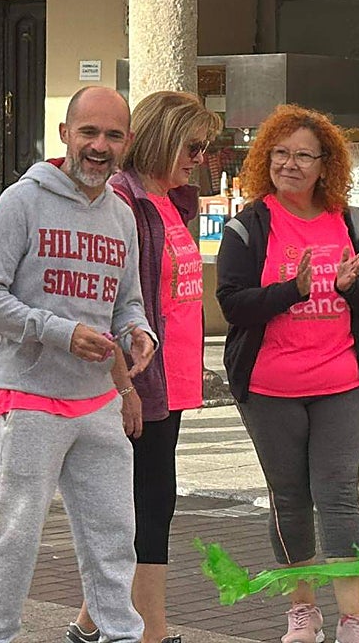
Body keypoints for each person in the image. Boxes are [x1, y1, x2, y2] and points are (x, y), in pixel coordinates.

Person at [0, 85, 156, 643]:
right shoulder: (22, 202)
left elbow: (127, 300)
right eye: (89, 133)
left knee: (114, 535)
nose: (100, 146)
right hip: (27, 399)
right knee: (15, 535)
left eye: (113, 135)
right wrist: (60, 332)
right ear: (65, 136)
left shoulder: (121, 214)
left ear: (126, 142)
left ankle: (120, 634)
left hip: (98, 399)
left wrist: (137, 333)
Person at [216, 104, 359, 643]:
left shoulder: (353, 222)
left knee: (339, 495)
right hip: (270, 388)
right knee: (289, 498)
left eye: (302, 156)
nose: (289, 164)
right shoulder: (248, 226)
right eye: (279, 153)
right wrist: (290, 292)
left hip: (342, 381)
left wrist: (348, 287)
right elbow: (233, 303)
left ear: (326, 165)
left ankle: (354, 618)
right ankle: (303, 610)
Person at [68, 91, 222, 643]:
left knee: (146, 504)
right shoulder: (126, 202)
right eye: (192, 146)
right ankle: (150, 632)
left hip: (172, 381)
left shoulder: (173, 202)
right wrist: (124, 383)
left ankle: (91, 623)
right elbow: (112, 300)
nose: (199, 159)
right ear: (161, 138)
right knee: (148, 507)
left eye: (204, 149)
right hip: (140, 383)